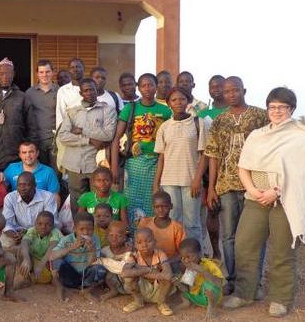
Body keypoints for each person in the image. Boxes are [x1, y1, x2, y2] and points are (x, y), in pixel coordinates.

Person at [223, 87, 305, 318]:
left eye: (282, 107)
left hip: (285, 201)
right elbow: (243, 167)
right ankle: (244, 293)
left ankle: (281, 299)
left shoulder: (302, 137)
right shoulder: (257, 135)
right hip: (255, 198)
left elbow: (303, 175)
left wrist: (276, 192)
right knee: (244, 244)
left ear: (291, 109)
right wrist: (252, 190)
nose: (277, 111)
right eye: (272, 107)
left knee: (282, 250)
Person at [204, 77, 268, 294]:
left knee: (255, 235)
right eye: (227, 91)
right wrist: (211, 187)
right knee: (228, 235)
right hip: (227, 185)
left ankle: (253, 282)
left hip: (255, 185)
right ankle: (231, 280)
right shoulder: (220, 120)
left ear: (244, 90)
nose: (231, 94)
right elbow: (213, 154)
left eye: (235, 90)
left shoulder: (260, 116)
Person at [110, 73, 171, 225]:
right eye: (143, 85)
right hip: (134, 164)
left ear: (156, 87)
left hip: (157, 163)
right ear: (139, 88)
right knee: (131, 202)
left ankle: (151, 237)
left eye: (150, 85)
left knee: (153, 200)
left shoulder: (165, 111)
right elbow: (116, 138)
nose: (147, 88)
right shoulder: (130, 108)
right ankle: (132, 238)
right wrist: (114, 167)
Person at [153, 86, 207, 243]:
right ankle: (174, 256)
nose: (178, 102)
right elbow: (162, 157)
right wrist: (156, 184)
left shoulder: (198, 123)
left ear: (188, 101)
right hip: (169, 181)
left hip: (191, 181)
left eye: (182, 99)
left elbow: (204, 154)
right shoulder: (164, 127)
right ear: (168, 103)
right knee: (172, 220)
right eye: (174, 100)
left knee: (192, 223)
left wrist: (197, 179)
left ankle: (195, 259)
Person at [58, 78, 117, 214]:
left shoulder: (107, 110)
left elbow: (107, 134)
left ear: (97, 91)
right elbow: (63, 136)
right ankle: (78, 232)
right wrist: (89, 140)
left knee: (98, 202)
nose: (89, 93)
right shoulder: (72, 112)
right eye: (86, 90)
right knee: (77, 204)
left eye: (92, 89)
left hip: (95, 165)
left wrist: (82, 130)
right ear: (81, 93)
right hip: (74, 165)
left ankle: (98, 233)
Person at [196, 74, 227, 261]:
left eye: (219, 86)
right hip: (209, 169)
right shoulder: (203, 113)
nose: (216, 89)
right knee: (212, 211)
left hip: (231, 168)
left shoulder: (234, 110)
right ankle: (215, 251)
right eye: (212, 86)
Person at [0, 57, 27, 172]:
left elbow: (30, 126)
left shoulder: (22, 97)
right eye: (2, 73)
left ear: (14, 74)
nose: (5, 77)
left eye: (8, 73)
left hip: (16, 156)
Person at [47, 211, 104, 300]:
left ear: (93, 228)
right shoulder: (67, 239)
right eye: (81, 229)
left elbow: (92, 263)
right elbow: (51, 256)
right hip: (70, 274)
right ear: (74, 229)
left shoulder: (95, 239)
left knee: (100, 268)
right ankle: (61, 286)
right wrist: (72, 247)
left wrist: (91, 251)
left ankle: (85, 289)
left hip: (86, 276)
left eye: (89, 229)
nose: (86, 232)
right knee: (56, 260)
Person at [121, 227, 174, 316]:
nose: (144, 245)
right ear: (135, 245)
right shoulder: (133, 256)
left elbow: (168, 275)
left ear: (155, 242)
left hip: (159, 290)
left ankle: (161, 303)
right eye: (139, 242)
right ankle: (138, 301)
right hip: (142, 289)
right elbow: (124, 273)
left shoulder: (160, 254)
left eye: (148, 241)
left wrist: (140, 271)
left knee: (168, 279)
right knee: (128, 279)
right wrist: (147, 270)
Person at [2, 171, 59, 243]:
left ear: (34, 185)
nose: (23, 188)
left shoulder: (48, 197)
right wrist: (14, 235)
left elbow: (49, 223)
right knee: (3, 239)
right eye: (20, 185)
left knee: (55, 237)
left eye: (26, 185)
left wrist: (28, 234)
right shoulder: (10, 198)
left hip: (42, 232)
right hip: (18, 232)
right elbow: (6, 223)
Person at [173, 238, 223, 318]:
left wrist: (202, 271)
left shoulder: (209, 264)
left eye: (188, 257)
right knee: (182, 289)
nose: (186, 261)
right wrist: (178, 283)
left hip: (212, 297)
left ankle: (211, 307)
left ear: (199, 254)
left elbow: (218, 283)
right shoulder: (189, 268)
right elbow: (186, 289)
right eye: (183, 258)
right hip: (197, 297)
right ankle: (186, 303)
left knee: (208, 286)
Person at [137, 191, 186, 271]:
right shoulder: (145, 223)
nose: (160, 210)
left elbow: (182, 253)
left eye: (164, 206)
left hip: (169, 263)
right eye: (157, 207)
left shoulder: (177, 228)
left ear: (171, 206)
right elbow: (138, 244)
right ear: (153, 207)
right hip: (146, 262)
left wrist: (165, 263)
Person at [25, 59, 59, 168]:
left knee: (56, 173)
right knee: (39, 172)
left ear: (53, 72)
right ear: (37, 74)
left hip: (56, 141)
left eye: (48, 72)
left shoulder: (60, 91)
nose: (45, 75)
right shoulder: (29, 93)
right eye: (41, 72)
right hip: (37, 140)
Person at [22, 210, 62, 285]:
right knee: (21, 251)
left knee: (46, 277)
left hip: (46, 261)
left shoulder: (55, 232)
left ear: (52, 226)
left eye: (47, 224)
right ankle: (26, 278)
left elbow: (52, 247)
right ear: (35, 224)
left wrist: (41, 264)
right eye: (39, 224)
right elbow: (24, 242)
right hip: (34, 259)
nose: (43, 227)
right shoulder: (32, 230)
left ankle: (53, 279)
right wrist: (26, 259)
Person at [96, 219, 133, 301]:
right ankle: (113, 290)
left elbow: (124, 268)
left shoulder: (129, 251)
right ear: (107, 236)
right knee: (105, 272)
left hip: (128, 283)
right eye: (111, 235)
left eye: (119, 236)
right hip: (111, 281)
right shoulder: (104, 251)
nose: (114, 238)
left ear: (124, 238)